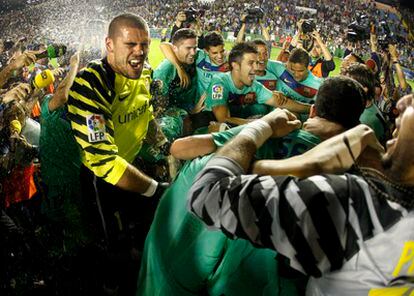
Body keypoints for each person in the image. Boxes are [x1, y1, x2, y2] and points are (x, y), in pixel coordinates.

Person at [137, 76, 367, 296]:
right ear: (354, 127)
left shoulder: (255, 140)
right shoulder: (353, 185)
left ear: (314, 110)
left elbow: (182, 149)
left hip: (200, 256)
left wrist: (260, 126)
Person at [189, 91, 414, 294]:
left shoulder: (349, 204)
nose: (403, 101)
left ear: (314, 111)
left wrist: (261, 127)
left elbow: (206, 194)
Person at [67, 13, 167, 295]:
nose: (140, 52)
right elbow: (105, 162)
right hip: (102, 180)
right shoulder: (90, 84)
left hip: (133, 168)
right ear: (109, 44)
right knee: (112, 247)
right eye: (131, 44)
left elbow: (146, 115)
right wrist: (155, 189)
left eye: (144, 44)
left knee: (140, 232)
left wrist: (164, 147)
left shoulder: (145, 71)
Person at [201, 42, 311, 127]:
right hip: (207, 128)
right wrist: (260, 123)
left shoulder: (253, 85)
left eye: (256, 63)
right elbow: (223, 119)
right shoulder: (219, 82)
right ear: (235, 66)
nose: (255, 67)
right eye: (250, 63)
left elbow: (280, 102)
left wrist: (312, 109)